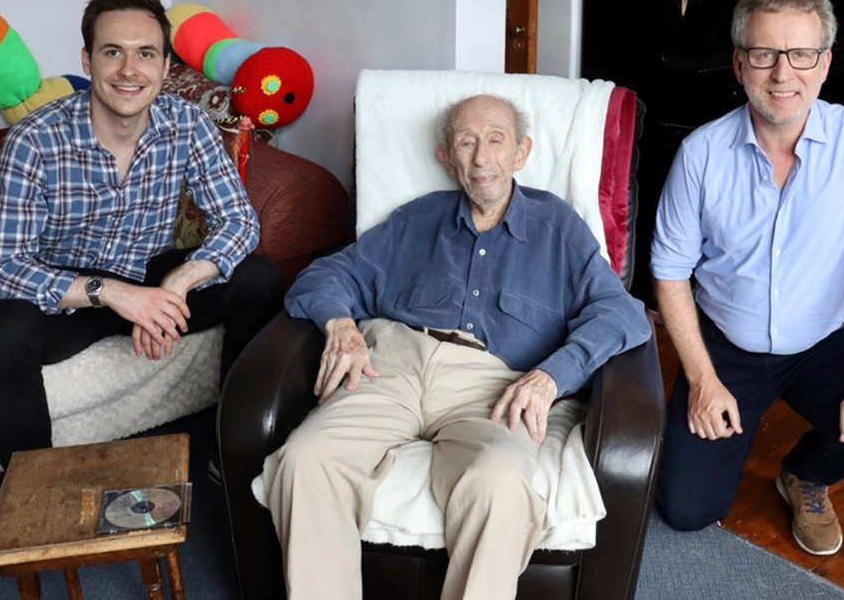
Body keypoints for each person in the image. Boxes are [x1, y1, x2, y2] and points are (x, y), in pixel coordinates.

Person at [266, 94, 651, 599]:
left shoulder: (557, 227)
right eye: (466, 142)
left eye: (496, 140)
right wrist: (339, 323)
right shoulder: (416, 219)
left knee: (500, 480)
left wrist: (552, 375)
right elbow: (328, 275)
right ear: (447, 157)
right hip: (391, 368)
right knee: (306, 458)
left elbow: (620, 311)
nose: (481, 157)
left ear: (521, 152)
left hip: (493, 385)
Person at [651, 0, 844, 556]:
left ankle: (804, 472)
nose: (782, 73)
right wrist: (701, 380)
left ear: (823, 64)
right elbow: (670, 271)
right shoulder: (700, 152)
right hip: (726, 347)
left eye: (800, 54)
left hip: (823, 342)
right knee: (686, 509)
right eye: (764, 54)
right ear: (739, 64)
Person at [0, 0, 283, 470]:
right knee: (2, 330)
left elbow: (239, 221)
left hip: (151, 273)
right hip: (73, 292)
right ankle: (31, 487)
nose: (128, 70)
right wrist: (114, 294)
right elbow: (3, 266)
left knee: (259, 278)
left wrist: (178, 284)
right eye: (112, 52)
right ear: (88, 60)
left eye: (145, 54)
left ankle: (232, 449)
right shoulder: (33, 140)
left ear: (164, 67)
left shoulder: (187, 123)